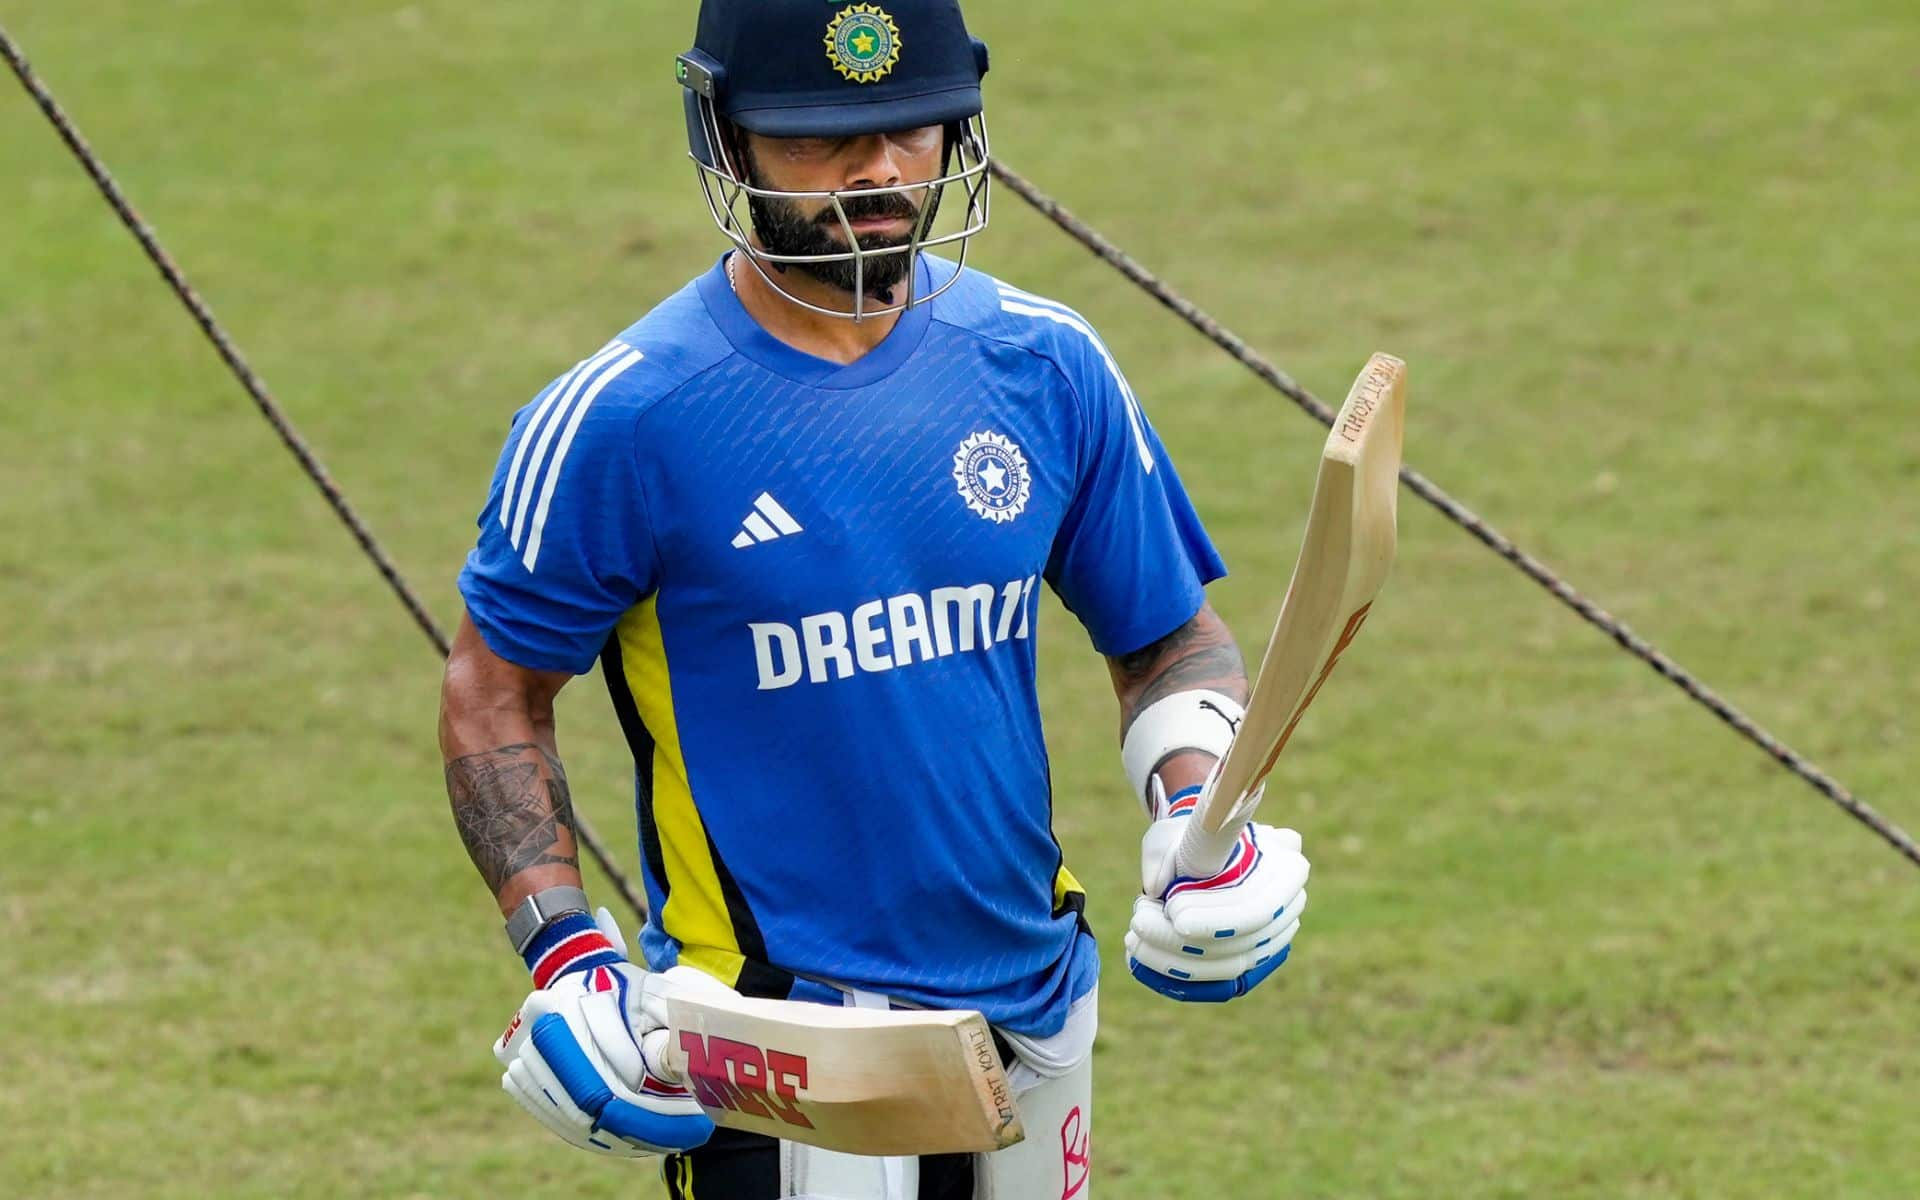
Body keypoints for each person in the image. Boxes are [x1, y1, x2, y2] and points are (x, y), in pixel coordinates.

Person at [438, 2, 1312, 1196]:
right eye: (818, 138)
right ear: (727, 138)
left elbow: (1164, 638)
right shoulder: (623, 417)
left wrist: (1202, 813)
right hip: (772, 1050)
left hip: (1035, 1007)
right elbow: (494, 693)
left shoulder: (1046, 364)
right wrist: (565, 953)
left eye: (914, 127)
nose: (879, 170)